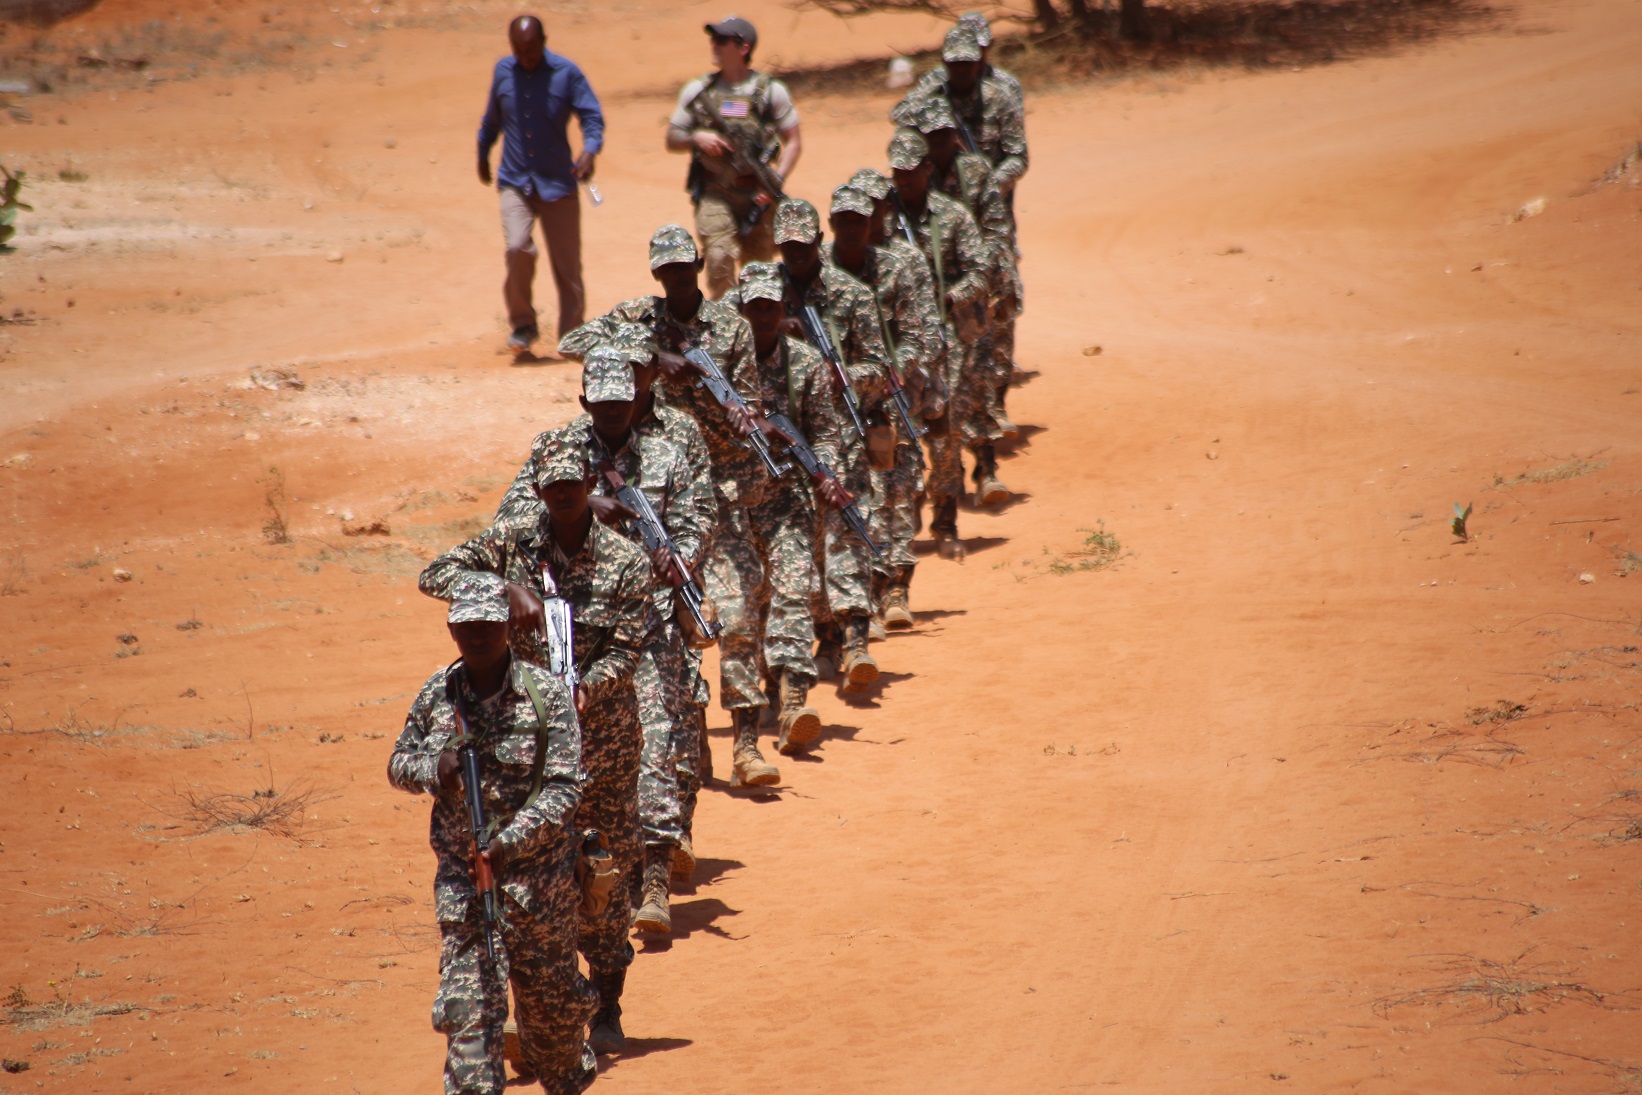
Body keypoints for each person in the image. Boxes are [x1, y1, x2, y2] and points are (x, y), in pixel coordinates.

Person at [419, 440, 652, 1057]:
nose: (564, 495)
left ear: (588, 485)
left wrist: (586, 690)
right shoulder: (510, 543)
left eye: (572, 484)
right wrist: (501, 590)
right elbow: (432, 574)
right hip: (525, 744)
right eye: (551, 487)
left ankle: (607, 999)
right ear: (540, 492)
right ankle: (539, 1011)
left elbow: (627, 651)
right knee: (526, 876)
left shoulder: (626, 561)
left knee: (604, 879)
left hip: (602, 739)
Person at [558, 224, 784, 790]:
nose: (678, 278)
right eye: (668, 270)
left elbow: (753, 402)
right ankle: (693, 741)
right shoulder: (638, 317)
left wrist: (739, 413)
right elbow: (571, 342)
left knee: (732, 611)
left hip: (719, 491)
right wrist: (655, 357)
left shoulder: (730, 327)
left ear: (698, 265)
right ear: (657, 274)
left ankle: (748, 743)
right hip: (644, 498)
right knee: (663, 635)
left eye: (686, 268)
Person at [387, 571, 596, 1095]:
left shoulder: (545, 693)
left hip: (539, 888)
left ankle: (560, 1057)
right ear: (452, 631)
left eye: (488, 625)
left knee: (557, 1043)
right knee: (470, 1023)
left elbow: (566, 789)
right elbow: (396, 764)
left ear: (507, 626)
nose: (477, 636)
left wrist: (510, 841)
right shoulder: (438, 693)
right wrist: (437, 768)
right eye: (466, 627)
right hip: (464, 884)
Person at [771, 197, 889, 690]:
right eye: (787, 246)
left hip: (840, 434)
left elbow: (880, 369)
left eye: (804, 245)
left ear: (820, 242)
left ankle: (857, 637)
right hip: (782, 442)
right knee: (808, 551)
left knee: (846, 532)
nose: (796, 254)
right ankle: (830, 637)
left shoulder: (852, 295)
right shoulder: (760, 296)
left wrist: (839, 373)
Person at [728, 261, 846, 753]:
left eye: (770, 308)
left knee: (793, 591)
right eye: (752, 308)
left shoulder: (804, 364)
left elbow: (827, 433)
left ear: (782, 309)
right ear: (740, 310)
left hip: (789, 502)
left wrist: (829, 474)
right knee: (749, 609)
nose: (761, 317)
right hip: (734, 506)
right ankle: (767, 692)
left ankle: (795, 696)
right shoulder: (721, 366)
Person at [825, 180, 944, 630]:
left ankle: (895, 587)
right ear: (832, 224)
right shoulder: (816, 273)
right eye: (847, 220)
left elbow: (924, 334)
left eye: (865, 216)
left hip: (892, 402)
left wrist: (896, 368)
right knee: (851, 501)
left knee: (896, 493)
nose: (856, 227)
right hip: (832, 407)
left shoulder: (898, 268)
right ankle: (862, 598)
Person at [886, 127, 995, 559]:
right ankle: (907, 508)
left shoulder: (952, 217)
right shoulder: (883, 220)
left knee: (945, 434)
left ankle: (946, 519)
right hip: (899, 342)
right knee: (899, 434)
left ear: (927, 170)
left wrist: (950, 297)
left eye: (910, 172)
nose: (903, 181)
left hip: (944, 338)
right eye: (896, 173)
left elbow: (980, 272)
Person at [478, 14, 605, 352]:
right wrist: (482, 151)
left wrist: (590, 151)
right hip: (515, 180)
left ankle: (572, 336)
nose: (526, 56)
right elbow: (492, 120)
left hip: (558, 182)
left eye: (531, 48)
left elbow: (592, 116)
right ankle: (523, 325)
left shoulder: (566, 73)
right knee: (517, 246)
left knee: (568, 266)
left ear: (544, 41)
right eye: (518, 50)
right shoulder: (503, 72)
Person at [665, 15, 803, 299]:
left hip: (758, 195)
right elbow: (672, 137)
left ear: (743, 47)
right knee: (718, 259)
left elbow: (794, 142)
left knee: (760, 274)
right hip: (716, 192)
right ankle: (725, 326)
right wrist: (696, 138)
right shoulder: (699, 91)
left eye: (721, 40)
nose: (713, 45)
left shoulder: (770, 92)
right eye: (713, 39)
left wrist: (775, 180)